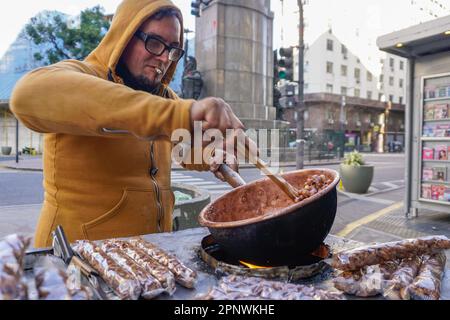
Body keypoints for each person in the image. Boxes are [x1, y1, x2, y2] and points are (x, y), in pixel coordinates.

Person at [10, 0, 243, 247]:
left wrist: (215, 152)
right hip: (76, 260)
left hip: (146, 256)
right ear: (124, 37)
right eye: (154, 43)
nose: (164, 58)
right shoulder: (84, 76)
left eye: (173, 49)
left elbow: (183, 148)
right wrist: (180, 114)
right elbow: (25, 95)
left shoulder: (162, 98)